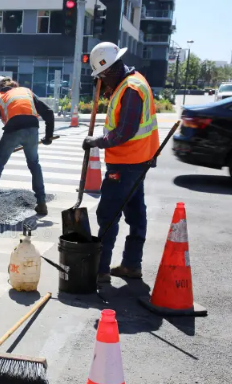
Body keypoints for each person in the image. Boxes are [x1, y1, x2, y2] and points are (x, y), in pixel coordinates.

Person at [82, 42, 159, 284]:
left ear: (109, 70)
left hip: (125, 164)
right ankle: (131, 266)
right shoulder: (133, 81)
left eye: (102, 75)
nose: (101, 81)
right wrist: (110, 92)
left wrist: (97, 141)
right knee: (136, 214)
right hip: (139, 161)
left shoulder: (130, 89)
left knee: (108, 215)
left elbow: (124, 131)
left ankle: (101, 270)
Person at [0, 76, 55, 220]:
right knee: (34, 164)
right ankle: (42, 202)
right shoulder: (26, 91)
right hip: (32, 130)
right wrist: (48, 136)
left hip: (13, 131)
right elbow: (48, 112)